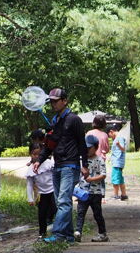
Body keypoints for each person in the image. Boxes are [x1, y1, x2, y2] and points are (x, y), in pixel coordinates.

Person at [37, 88, 88, 244]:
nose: (53, 104)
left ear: (65, 101)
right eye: (51, 101)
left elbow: (82, 143)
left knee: (64, 201)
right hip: (57, 165)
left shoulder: (74, 119)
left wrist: (84, 165)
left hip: (70, 165)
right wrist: (39, 160)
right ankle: (69, 236)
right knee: (61, 202)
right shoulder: (54, 121)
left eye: (56, 101)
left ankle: (58, 234)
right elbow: (50, 144)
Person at [75, 134, 108, 242]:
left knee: (97, 214)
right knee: (80, 212)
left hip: (96, 192)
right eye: (85, 148)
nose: (87, 150)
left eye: (90, 148)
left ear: (96, 147)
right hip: (82, 192)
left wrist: (92, 179)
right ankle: (78, 232)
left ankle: (102, 234)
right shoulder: (80, 160)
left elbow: (103, 175)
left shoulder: (99, 160)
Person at [26, 143, 56, 239]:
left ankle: (59, 230)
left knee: (56, 210)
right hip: (42, 194)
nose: (36, 156)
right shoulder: (30, 169)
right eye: (34, 154)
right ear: (30, 154)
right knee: (42, 214)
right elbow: (29, 184)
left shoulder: (49, 163)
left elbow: (56, 175)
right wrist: (30, 198)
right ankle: (42, 232)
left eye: (39, 154)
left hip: (53, 191)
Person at [108, 123, 129, 201]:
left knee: (115, 179)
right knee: (120, 179)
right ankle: (124, 195)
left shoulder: (119, 137)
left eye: (109, 135)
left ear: (111, 131)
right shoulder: (118, 137)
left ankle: (116, 195)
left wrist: (118, 145)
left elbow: (123, 149)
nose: (110, 137)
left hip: (117, 162)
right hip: (117, 161)